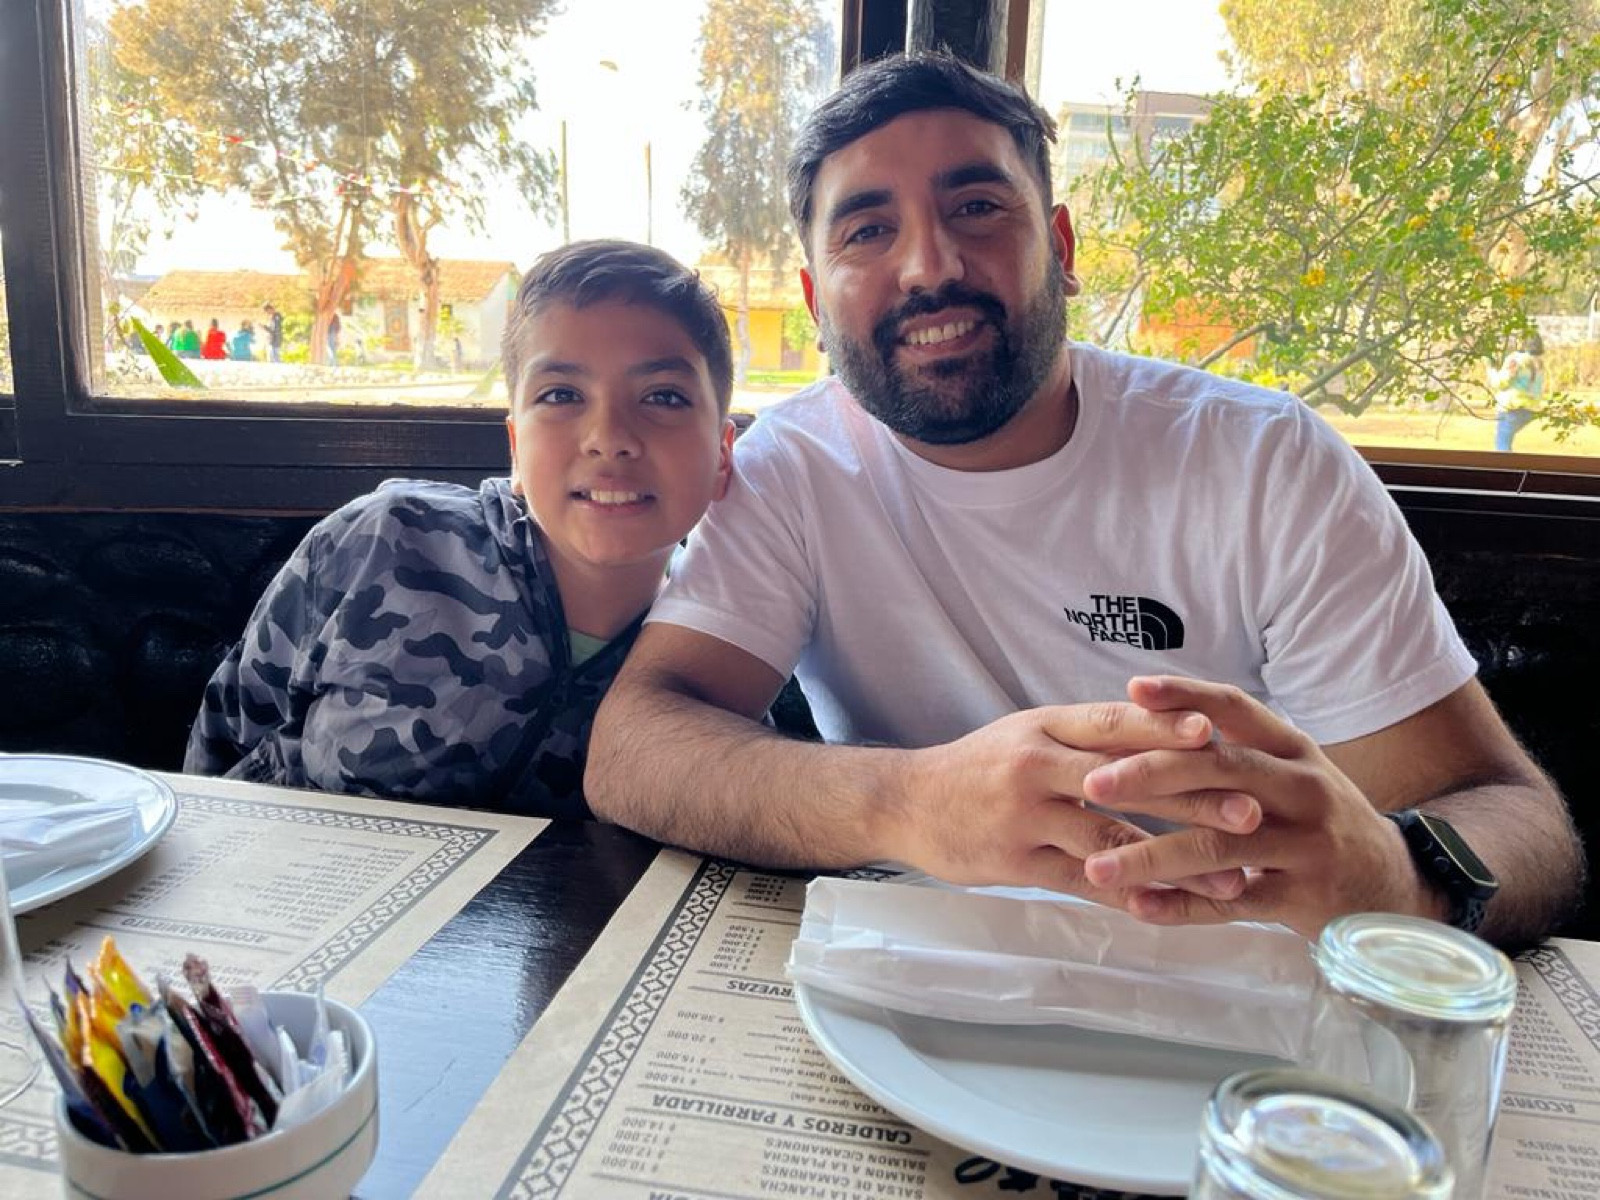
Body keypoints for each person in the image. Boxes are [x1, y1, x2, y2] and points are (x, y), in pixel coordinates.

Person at [586, 53, 1581, 947]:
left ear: (1060, 247)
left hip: (1246, 1002)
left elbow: (1513, 813)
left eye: (978, 208)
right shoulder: (795, 465)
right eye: (868, 230)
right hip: (928, 993)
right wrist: (910, 800)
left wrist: (1397, 878)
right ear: (815, 302)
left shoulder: (1264, 463)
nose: (930, 266)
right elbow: (635, 747)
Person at [185, 241, 736, 816]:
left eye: (664, 397)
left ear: (723, 454)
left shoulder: (725, 650)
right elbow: (227, 739)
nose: (608, 437)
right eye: (561, 395)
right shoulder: (386, 542)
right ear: (516, 446)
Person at [1493, 333, 1545, 452]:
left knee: (1502, 445)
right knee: (1506, 442)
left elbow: (1501, 382)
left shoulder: (1516, 359)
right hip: (1531, 408)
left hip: (1512, 407)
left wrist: (1491, 370)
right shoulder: (1539, 362)